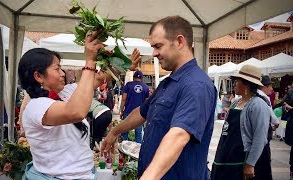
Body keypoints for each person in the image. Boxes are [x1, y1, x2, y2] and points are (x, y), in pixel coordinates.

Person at [102, 16, 217, 179]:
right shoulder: (168, 83)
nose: (154, 53)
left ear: (179, 41)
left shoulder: (196, 85)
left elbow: (178, 136)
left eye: (158, 46)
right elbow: (142, 112)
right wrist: (115, 131)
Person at [18, 32, 141, 179]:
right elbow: (76, 112)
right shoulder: (35, 107)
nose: (62, 73)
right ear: (38, 76)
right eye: (57, 69)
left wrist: (125, 65)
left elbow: (98, 78)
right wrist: (89, 61)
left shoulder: (66, 92)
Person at [211, 65, 271, 180]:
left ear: (246, 84)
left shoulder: (258, 105)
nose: (234, 84)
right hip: (227, 155)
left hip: (241, 158)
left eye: (237, 81)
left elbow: (260, 137)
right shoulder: (236, 102)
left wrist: (250, 164)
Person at [120, 70, 149, 143]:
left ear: (133, 77)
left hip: (128, 111)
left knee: (125, 131)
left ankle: (123, 151)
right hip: (139, 113)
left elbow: (124, 99)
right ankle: (137, 152)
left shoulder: (128, 85)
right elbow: (147, 102)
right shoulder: (146, 87)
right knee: (138, 133)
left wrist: (121, 110)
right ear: (142, 78)